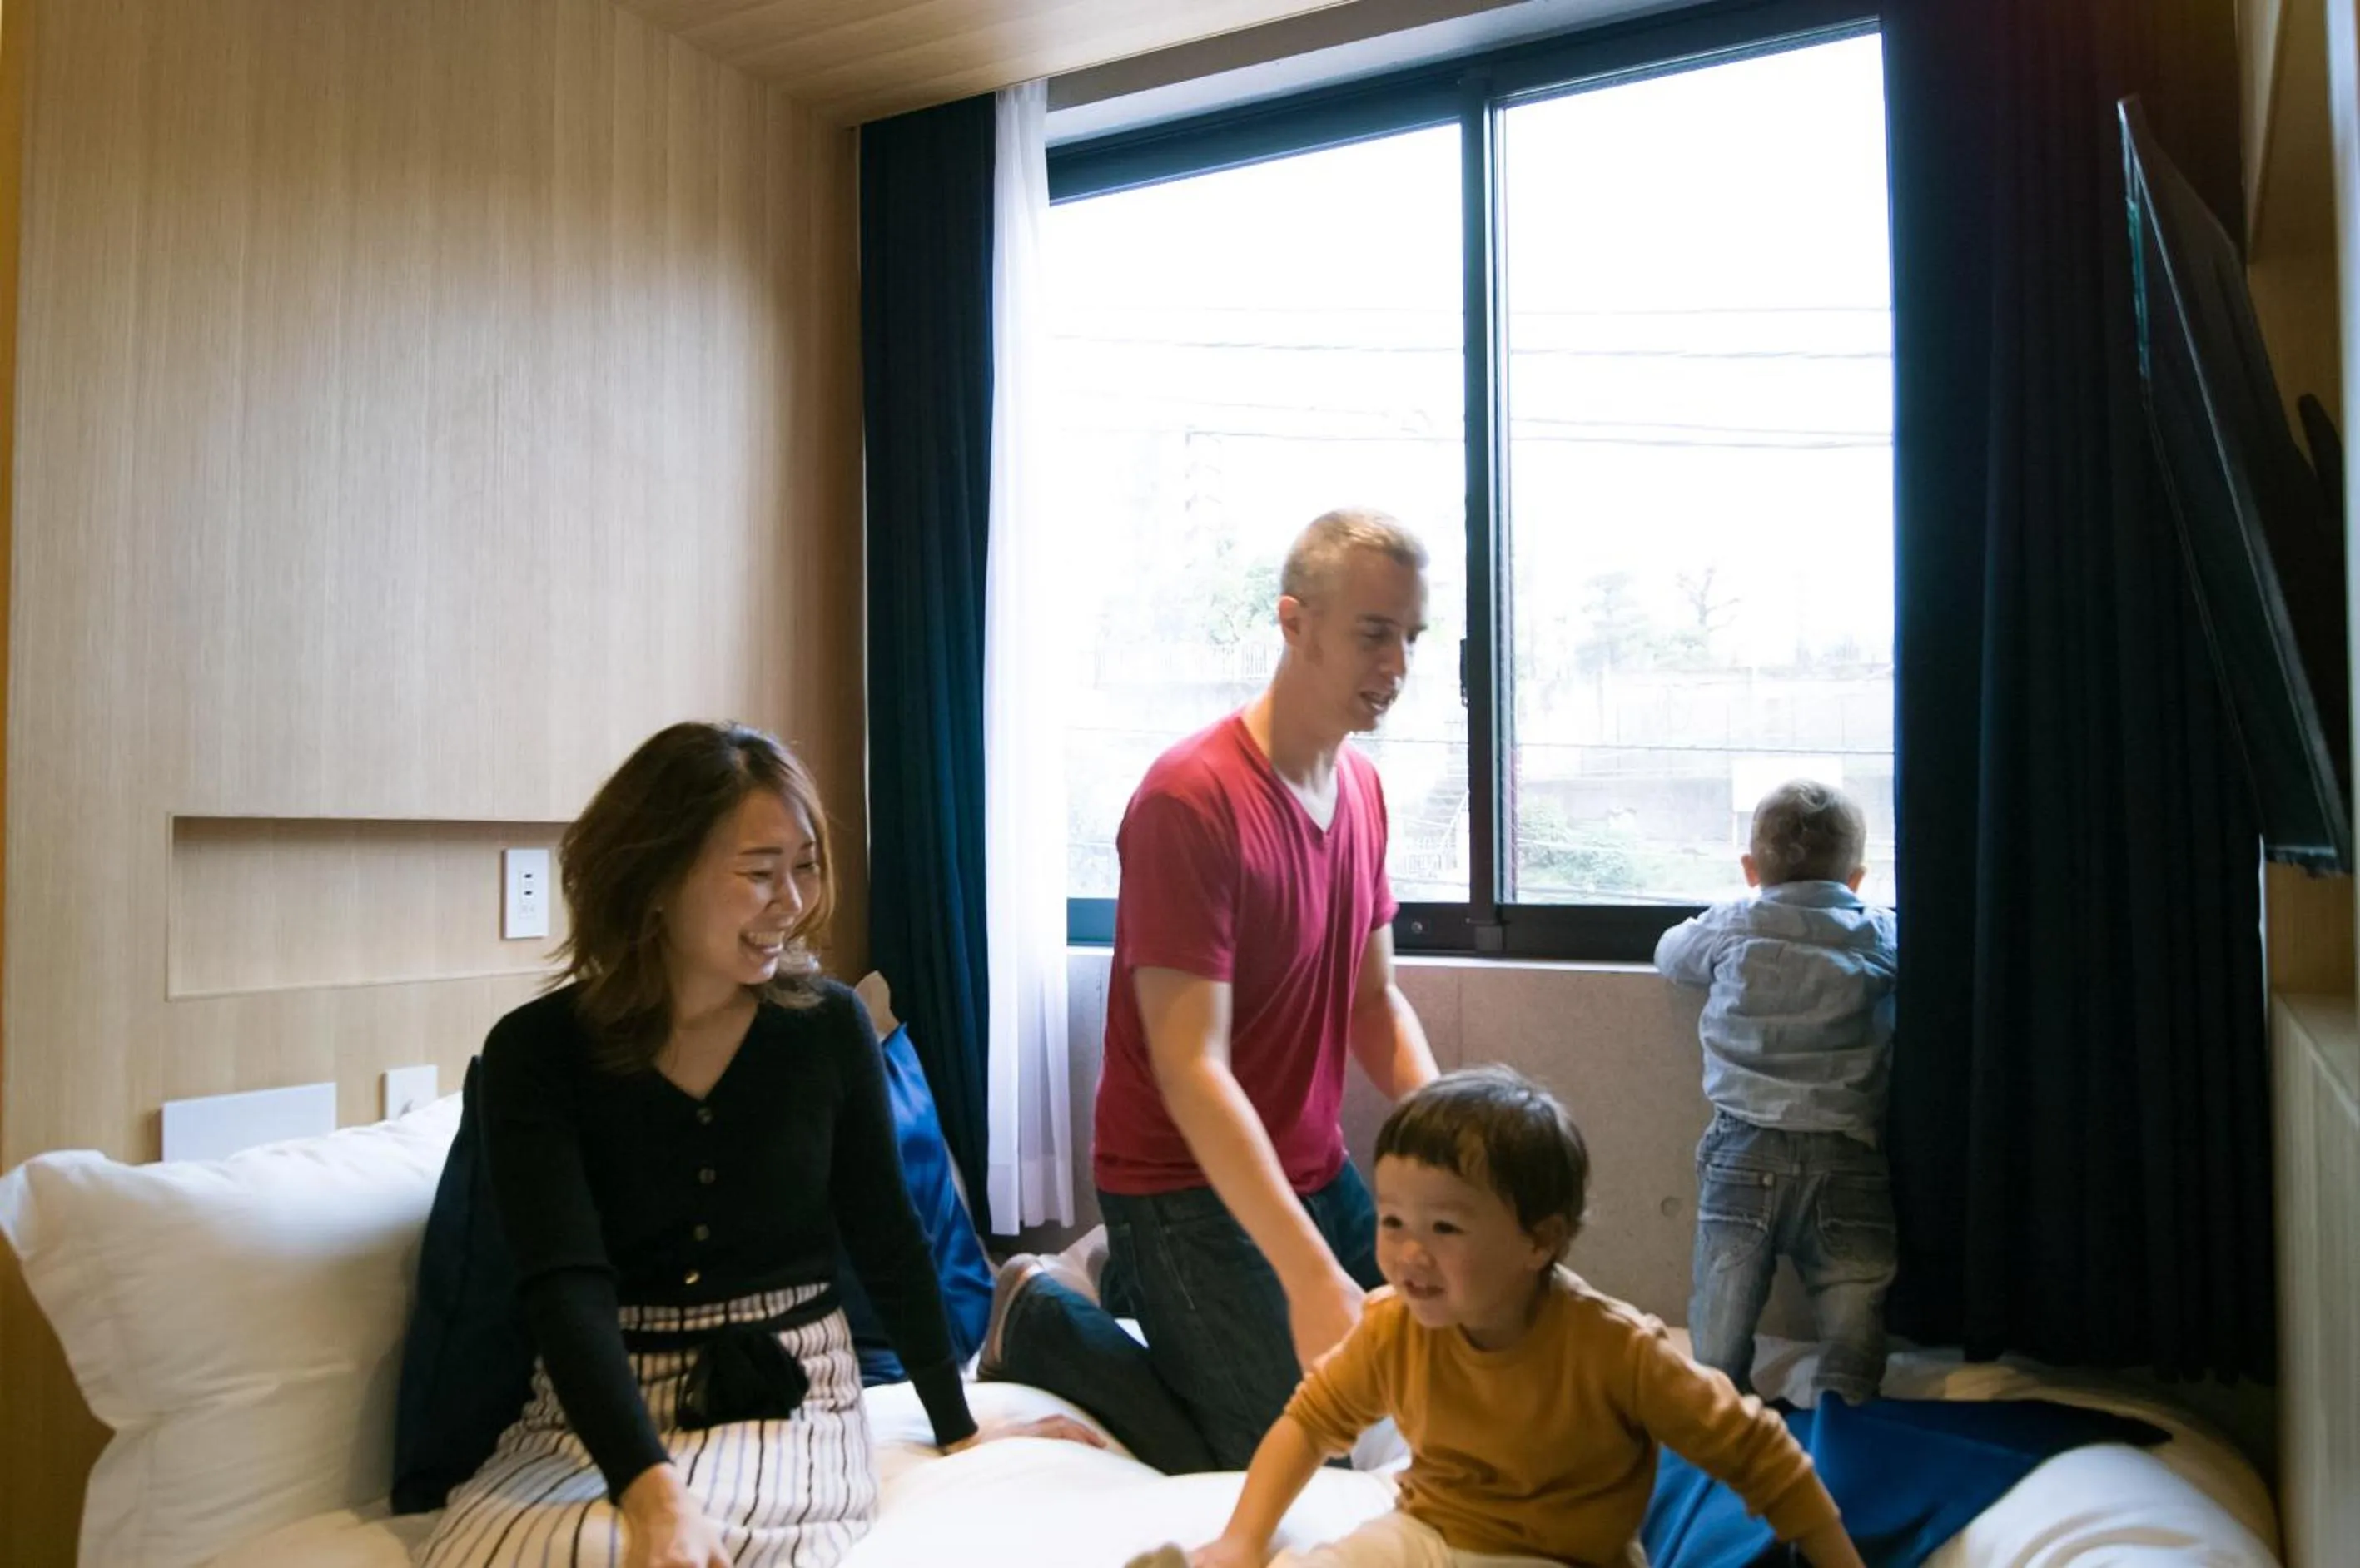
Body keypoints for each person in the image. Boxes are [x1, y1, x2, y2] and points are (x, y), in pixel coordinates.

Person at [419, 722, 1092, 1568]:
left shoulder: (826, 1030)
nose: (793, 902)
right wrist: (652, 1494)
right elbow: (564, 1291)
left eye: (804, 868)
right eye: (758, 874)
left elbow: (888, 1239)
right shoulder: (537, 1053)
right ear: (657, 876)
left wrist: (956, 1426)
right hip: (597, 1406)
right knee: (533, 1553)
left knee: (720, 1550)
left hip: (792, 1384)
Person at [983, 509, 1442, 1473]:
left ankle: (1138, 1276)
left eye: (1411, 636)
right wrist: (1311, 1275)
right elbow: (1191, 1070)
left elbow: (1373, 1005)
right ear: (1294, 623)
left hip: (1310, 1164)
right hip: (1178, 1177)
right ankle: (1043, 1317)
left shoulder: (1361, 791)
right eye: (1373, 632)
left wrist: (1464, 1137)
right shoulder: (1189, 800)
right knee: (1277, 1450)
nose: (1396, 665)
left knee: (1437, 1363)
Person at [1135, 1069, 1864, 1568]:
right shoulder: (1392, 1326)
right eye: (1390, 1221)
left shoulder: (1612, 1349)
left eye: (1445, 1229)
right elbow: (1308, 1422)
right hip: (1426, 1533)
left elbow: (1758, 1453)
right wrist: (1240, 1539)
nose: (1407, 1253)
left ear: (1538, 1241)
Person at [1653, 779, 1900, 1407]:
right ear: (1858, 877)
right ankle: (1845, 1410)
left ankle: (1723, 1405)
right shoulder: (1875, 932)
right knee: (1853, 1310)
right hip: (1848, 1154)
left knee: (1722, 1304)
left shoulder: (1736, 921)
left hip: (1743, 1150)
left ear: (1749, 869)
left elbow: (1671, 955)